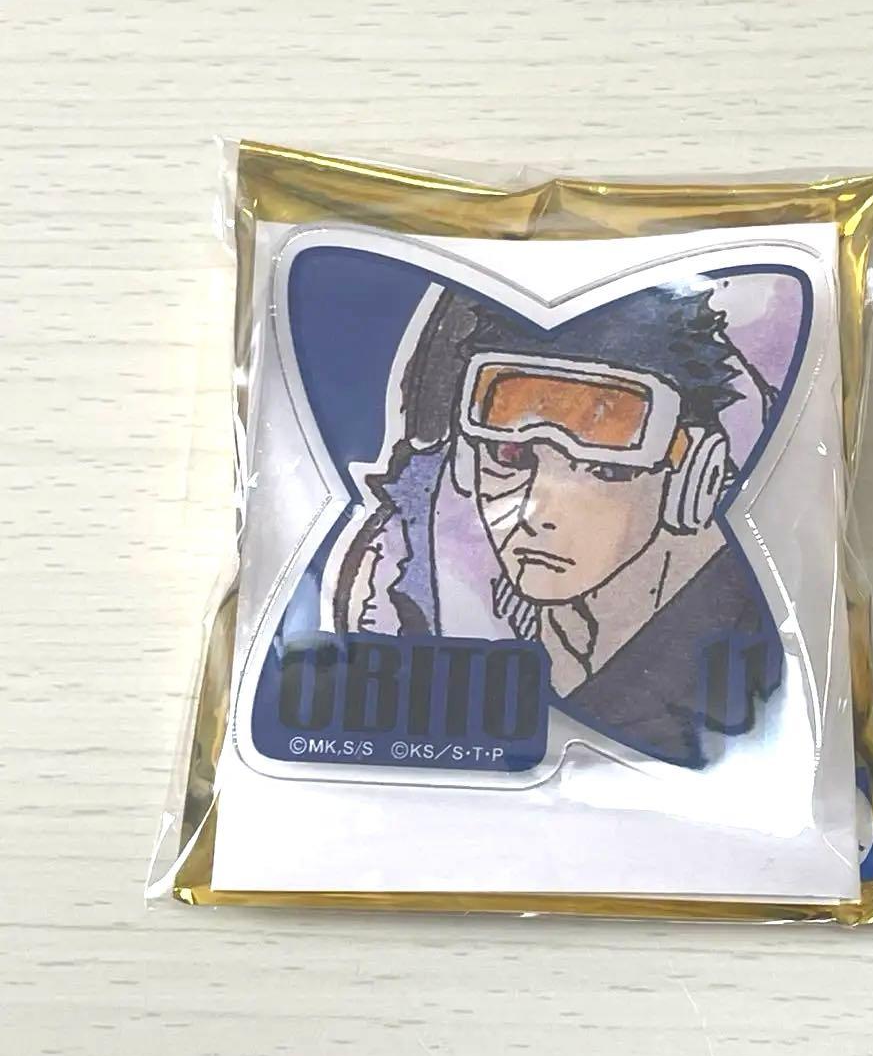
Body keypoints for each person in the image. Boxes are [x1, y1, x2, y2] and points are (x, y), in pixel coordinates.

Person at [321, 280, 783, 766]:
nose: (537, 515)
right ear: (465, 458)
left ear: (694, 476)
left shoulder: (748, 621)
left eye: (603, 470)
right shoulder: (413, 597)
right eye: (510, 456)